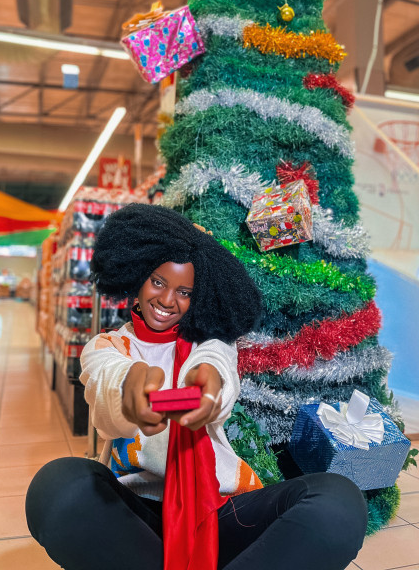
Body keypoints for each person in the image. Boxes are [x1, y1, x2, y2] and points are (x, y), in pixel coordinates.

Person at [26, 204, 368, 570]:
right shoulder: (106, 347)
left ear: (197, 299)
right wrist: (129, 388)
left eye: (184, 292)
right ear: (138, 279)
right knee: (55, 487)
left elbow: (217, 368)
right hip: (136, 516)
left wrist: (209, 383)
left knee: (338, 502)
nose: (168, 300)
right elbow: (106, 394)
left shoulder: (210, 343)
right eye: (158, 282)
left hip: (216, 509)